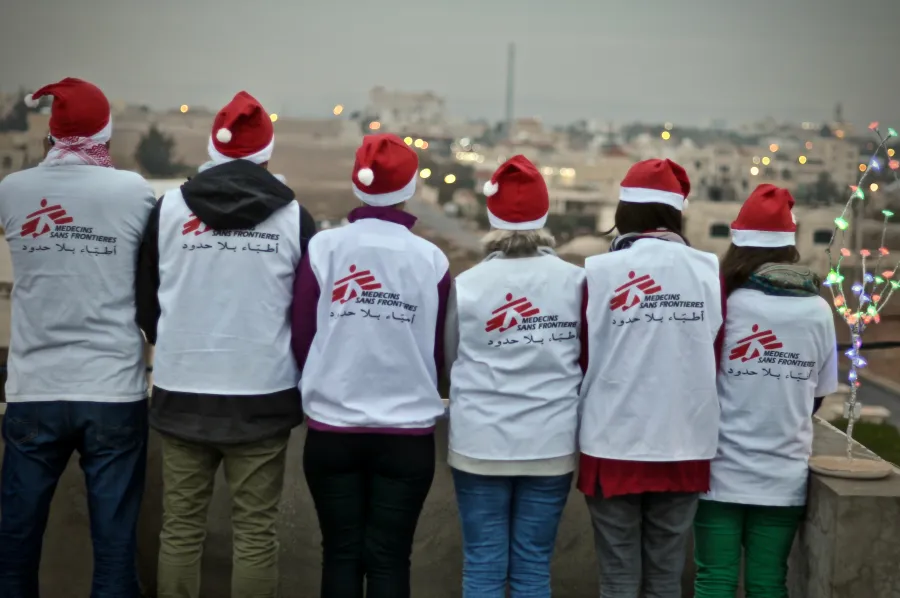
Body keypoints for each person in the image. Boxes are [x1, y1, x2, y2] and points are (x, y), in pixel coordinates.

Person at [135, 91, 316, 598]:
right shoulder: (294, 217)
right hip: (263, 393)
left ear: (214, 146)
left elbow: (145, 300)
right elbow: (307, 312)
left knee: (181, 530)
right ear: (267, 152)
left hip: (180, 390)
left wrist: (167, 343)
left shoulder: (168, 209)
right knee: (256, 535)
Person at [0, 78, 156, 598]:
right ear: (106, 138)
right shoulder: (133, 191)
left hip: (34, 390)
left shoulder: (13, 190)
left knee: (15, 542)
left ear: (50, 136)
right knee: (114, 546)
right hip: (112, 389)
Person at [293, 133, 450, 598]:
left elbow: (303, 335)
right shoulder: (432, 259)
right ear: (409, 188)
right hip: (406, 436)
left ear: (357, 184)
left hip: (332, 430)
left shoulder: (324, 248)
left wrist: (325, 378)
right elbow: (437, 350)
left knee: (340, 552)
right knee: (389, 558)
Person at [578, 159, 724, 598]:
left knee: (618, 575)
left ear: (624, 214)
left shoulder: (599, 271)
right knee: (665, 575)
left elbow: (583, 355)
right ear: (675, 213)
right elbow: (713, 353)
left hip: (613, 441)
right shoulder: (707, 271)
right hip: (685, 441)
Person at [445, 155, 584, 597]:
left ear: (492, 218)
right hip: (550, 443)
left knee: (483, 566)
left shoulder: (467, 284)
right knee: (532, 567)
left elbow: (450, 361)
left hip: (478, 443)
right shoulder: (577, 282)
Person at [693, 184, 838, 598]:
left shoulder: (725, 303)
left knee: (714, 580)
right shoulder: (818, 311)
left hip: (720, 472)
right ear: (790, 248)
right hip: (783, 475)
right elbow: (818, 395)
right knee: (768, 583)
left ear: (737, 245)